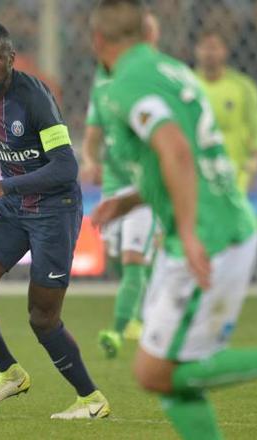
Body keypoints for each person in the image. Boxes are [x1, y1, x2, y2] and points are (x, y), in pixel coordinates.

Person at [88, 1, 257, 439]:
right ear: (147, 34)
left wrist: (189, 231)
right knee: (163, 374)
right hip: (209, 226)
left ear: (98, 40)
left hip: (208, 235)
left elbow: (177, 150)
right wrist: (133, 201)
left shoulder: (127, 83)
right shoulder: (175, 72)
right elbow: (185, 157)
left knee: (154, 372)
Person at [0, 22, 110, 420]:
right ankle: (10, 374)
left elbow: (65, 167)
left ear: (11, 58)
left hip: (55, 209)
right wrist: (9, 190)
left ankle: (91, 399)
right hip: (14, 207)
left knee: (42, 318)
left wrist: (2, 186)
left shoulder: (35, 98)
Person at [81, 11, 160, 358]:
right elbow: (93, 131)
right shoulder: (102, 80)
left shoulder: (151, 77)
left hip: (142, 188)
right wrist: (90, 160)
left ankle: (119, 328)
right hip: (112, 186)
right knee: (118, 256)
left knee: (132, 257)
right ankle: (147, 302)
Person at [194, 29, 257, 193]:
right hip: (198, 168)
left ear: (224, 51)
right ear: (197, 51)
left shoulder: (243, 87)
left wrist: (256, 159)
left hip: (236, 170)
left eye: (215, 48)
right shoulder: (186, 85)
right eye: (205, 47)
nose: (210, 53)